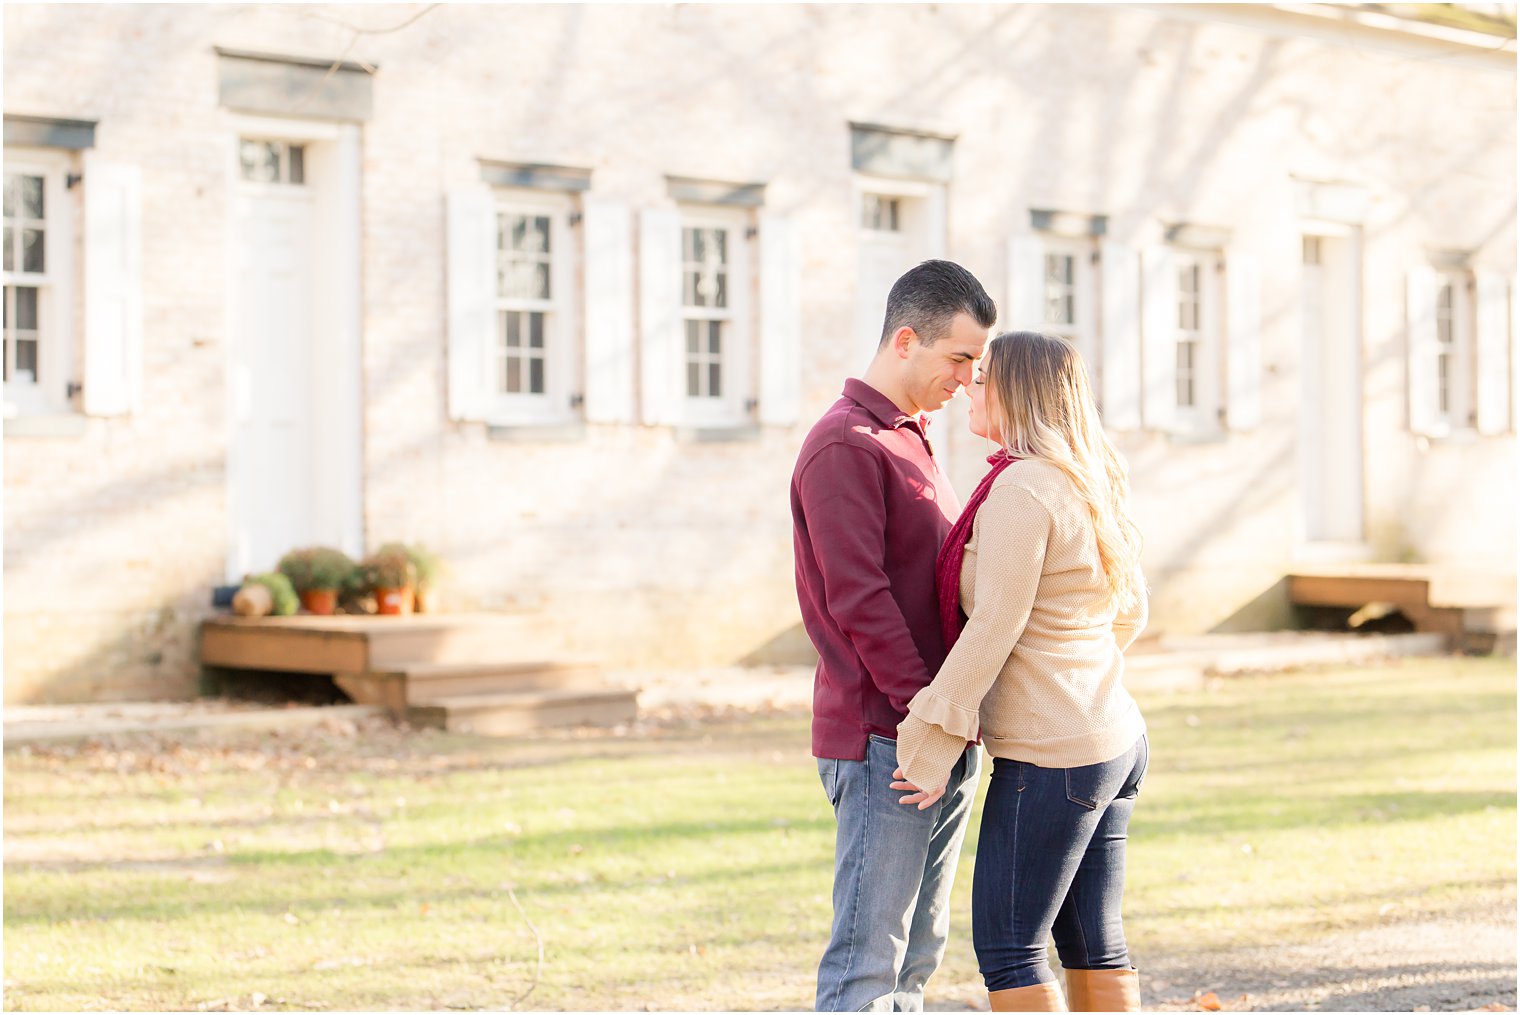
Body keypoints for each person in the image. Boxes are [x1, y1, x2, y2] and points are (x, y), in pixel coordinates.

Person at [892, 331, 1149, 1013]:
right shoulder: (1087, 473)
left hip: (1056, 758)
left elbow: (995, 624)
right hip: (1113, 738)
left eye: (982, 378)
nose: (969, 388)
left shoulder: (1022, 486)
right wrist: (1078, 675)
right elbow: (1131, 610)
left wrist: (929, 738)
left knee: (1009, 947)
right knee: (1094, 943)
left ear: (1017, 393)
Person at [791, 259, 999, 1012]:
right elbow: (861, 600)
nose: (969, 380)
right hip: (890, 737)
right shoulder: (847, 444)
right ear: (906, 340)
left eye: (976, 363)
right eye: (960, 359)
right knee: (867, 966)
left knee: (916, 958)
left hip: (937, 735)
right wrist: (929, 717)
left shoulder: (908, 436)